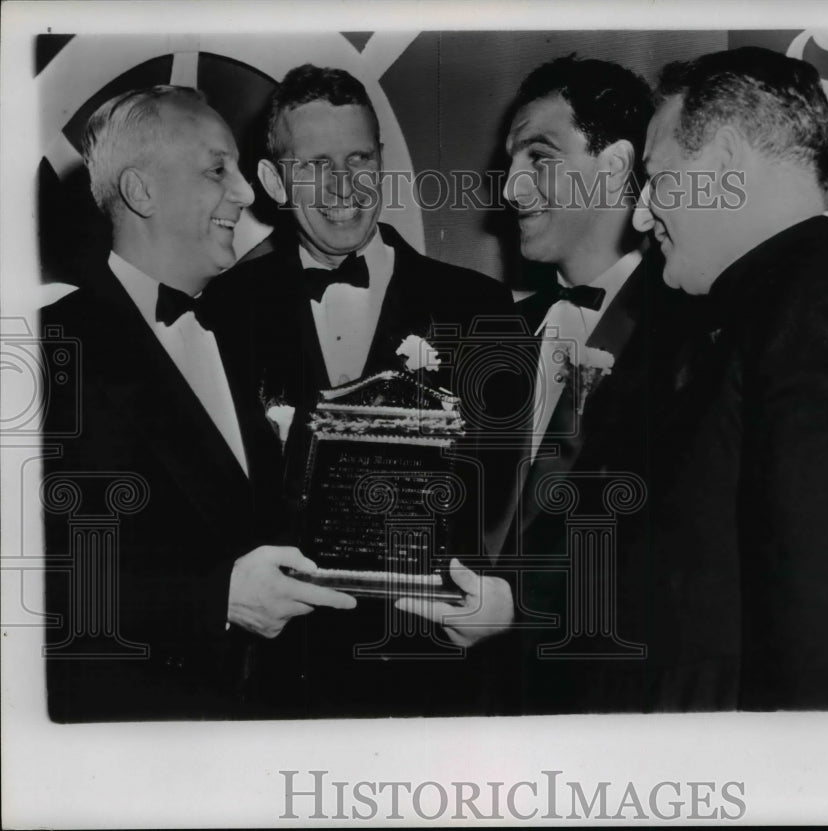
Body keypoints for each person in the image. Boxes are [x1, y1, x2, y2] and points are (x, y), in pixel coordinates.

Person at [400, 55, 707, 714]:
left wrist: (521, 604)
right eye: (511, 162)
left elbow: (683, 551)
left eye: (539, 158)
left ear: (619, 166)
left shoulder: (696, 332)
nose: (510, 188)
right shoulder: (498, 335)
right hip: (484, 709)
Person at [41, 86, 356, 722]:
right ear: (142, 192)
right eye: (218, 170)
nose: (245, 193)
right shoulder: (52, 352)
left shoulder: (253, 332)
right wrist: (217, 600)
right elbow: (38, 584)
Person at [214, 64, 516, 717]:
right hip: (276, 686)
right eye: (317, 164)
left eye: (359, 159)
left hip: (435, 674)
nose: (345, 186)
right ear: (272, 180)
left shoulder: (479, 307)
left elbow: (515, 503)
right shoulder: (222, 311)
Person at [630, 46, 828, 709]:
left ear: (725, 163)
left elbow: (820, 603)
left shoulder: (810, 310)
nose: (643, 214)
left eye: (658, 177)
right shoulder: (776, 305)